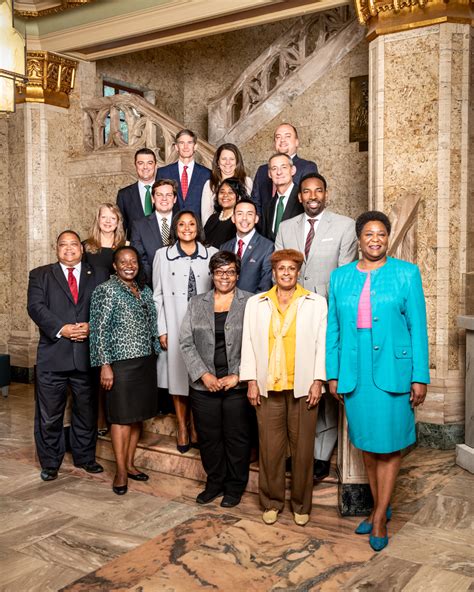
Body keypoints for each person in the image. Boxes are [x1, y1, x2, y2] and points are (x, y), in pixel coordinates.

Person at [326, 211, 429, 551]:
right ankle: (377, 506)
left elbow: (418, 328)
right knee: (367, 445)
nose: (375, 239)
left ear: (387, 238)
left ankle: (381, 516)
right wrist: (333, 372)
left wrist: (419, 376)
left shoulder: (406, 274)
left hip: (393, 371)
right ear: (359, 239)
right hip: (355, 372)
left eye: (381, 234)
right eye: (369, 234)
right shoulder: (340, 278)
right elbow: (334, 330)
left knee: (390, 447)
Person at [275, 172, 358, 480]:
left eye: (318, 191)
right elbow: (282, 269)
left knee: (322, 383)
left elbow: (345, 275)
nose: (312, 196)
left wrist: (334, 316)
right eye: (307, 191)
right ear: (299, 197)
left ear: (326, 194)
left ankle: (321, 454)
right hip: (292, 317)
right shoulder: (286, 228)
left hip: (326, 316)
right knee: (296, 380)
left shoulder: (345, 226)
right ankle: (297, 449)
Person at [240, 249, 327, 526]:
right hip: (268, 387)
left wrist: (318, 381)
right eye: (281, 269)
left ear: (298, 272)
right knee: (270, 449)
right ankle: (272, 501)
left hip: (303, 387)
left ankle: (301, 504)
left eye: (291, 268)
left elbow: (321, 346)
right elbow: (249, 344)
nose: (286, 273)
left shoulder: (315, 303)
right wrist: (251, 380)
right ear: (274, 273)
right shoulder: (256, 303)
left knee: (302, 450)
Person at [27, 230, 109, 482]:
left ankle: (85, 458)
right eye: (64, 245)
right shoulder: (40, 274)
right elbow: (35, 307)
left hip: (86, 355)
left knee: (85, 412)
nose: (69, 249)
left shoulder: (99, 275)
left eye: (74, 245)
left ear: (82, 249)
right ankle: (51, 462)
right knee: (50, 415)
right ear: (56, 248)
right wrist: (62, 329)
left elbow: (106, 306)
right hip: (53, 356)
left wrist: (91, 326)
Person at [180, 251, 252, 507]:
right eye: (220, 272)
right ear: (212, 275)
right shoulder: (197, 302)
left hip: (237, 385)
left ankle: (235, 486)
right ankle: (215, 482)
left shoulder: (251, 302)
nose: (225, 277)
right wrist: (204, 374)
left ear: (237, 274)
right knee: (209, 438)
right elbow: (186, 342)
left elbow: (258, 344)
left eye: (230, 271)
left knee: (236, 437)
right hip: (204, 385)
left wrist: (239, 375)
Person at [89, 246, 160, 495]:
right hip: (120, 364)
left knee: (137, 416)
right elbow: (98, 330)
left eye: (133, 261)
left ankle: (130, 464)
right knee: (120, 417)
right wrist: (105, 365)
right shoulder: (106, 290)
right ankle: (120, 471)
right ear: (115, 266)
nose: (129, 265)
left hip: (145, 361)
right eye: (123, 261)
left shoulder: (144, 290)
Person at [153, 210, 218, 452]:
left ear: (197, 227)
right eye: (182, 224)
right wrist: (162, 329)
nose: (187, 228)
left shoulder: (210, 253)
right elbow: (157, 296)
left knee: (200, 375)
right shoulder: (163, 255)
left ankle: (196, 427)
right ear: (175, 228)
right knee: (178, 376)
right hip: (175, 323)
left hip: (203, 325)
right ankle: (182, 426)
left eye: (192, 224)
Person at [252, 123, 318, 215]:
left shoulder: (307, 167)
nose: (282, 140)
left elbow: (310, 203)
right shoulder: (262, 170)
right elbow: (255, 204)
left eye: (287, 136)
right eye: (278, 137)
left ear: (296, 142)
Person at [130, 179, 179, 286]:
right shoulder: (139, 225)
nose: (164, 199)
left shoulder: (185, 222)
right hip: (151, 284)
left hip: (181, 283)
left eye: (169, 195)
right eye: (159, 195)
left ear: (174, 199)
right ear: (152, 198)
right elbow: (139, 258)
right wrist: (155, 279)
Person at [221, 198, 274, 294]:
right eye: (240, 214)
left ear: (256, 219)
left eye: (249, 214)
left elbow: (265, 286)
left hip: (252, 305)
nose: (244, 218)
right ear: (233, 218)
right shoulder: (225, 247)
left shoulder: (267, 247)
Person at [156, 129, 211, 218]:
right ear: (176, 147)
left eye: (189, 143)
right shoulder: (163, 173)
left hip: (197, 228)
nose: (186, 147)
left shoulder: (207, 174)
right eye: (182, 143)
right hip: (170, 228)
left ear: (195, 146)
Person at [201, 143, 253, 225]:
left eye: (232, 159)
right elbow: (205, 216)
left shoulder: (247, 182)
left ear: (237, 162)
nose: (227, 163)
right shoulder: (210, 184)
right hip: (216, 230)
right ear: (218, 162)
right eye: (224, 159)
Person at [260, 153, 304, 242]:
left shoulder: (303, 199)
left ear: (293, 170)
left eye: (284, 167)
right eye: (274, 168)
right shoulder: (267, 206)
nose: (279, 172)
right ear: (269, 174)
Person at [117, 148, 158, 237]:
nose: (145, 167)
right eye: (140, 163)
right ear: (135, 165)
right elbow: (120, 229)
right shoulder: (124, 195)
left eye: (149, 163)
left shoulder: (166, 191)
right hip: (135, 248)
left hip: (163, 247)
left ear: (155, 165)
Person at [83, 203, 126, 275]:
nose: (108, 221)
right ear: (98, 220)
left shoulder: (126, 247)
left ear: (118, 222)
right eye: (103, 217)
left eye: (113, 218)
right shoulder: (84, 246)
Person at [203, 178, 246, 248]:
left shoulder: (239, 221)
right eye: (222, 192)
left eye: (230, 192)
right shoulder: (213, 218)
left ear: (239, 197)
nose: (225, 195)